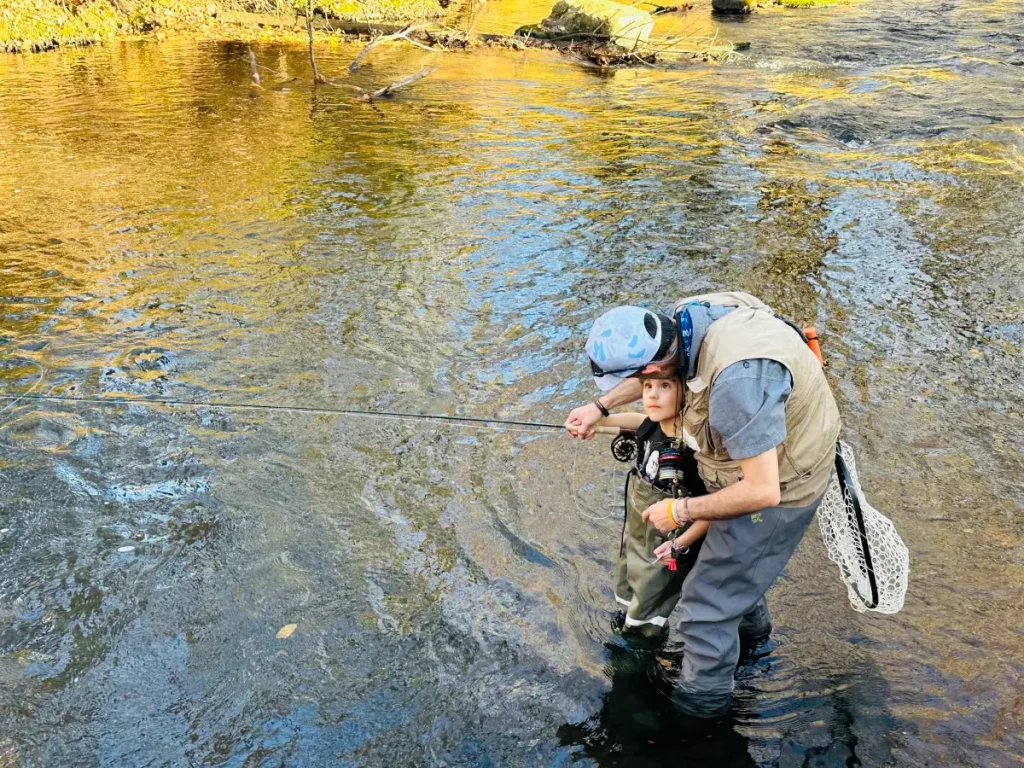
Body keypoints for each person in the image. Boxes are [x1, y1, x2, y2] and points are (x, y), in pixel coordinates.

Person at [566, 292, 841, 719]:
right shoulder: (682, 322)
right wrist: (598, 407)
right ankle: (755, 642)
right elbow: (650, 380)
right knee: (732, 576)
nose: (645, 393)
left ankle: (699, 721)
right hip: (756, 456)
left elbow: (763, 492)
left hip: (785, 483)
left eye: (646, 382)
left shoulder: (736, 382)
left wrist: (681, 513)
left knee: (705, 611)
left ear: (657, 367)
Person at [576, 359, 709, 641]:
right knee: (629, 584)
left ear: (686, 392)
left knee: (650, 606)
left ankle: (643, 645)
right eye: (647, 386)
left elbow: (711, 509)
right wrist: (599, 424)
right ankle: (628, 615)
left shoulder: (696, 448)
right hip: (637, 533)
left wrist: (680, 544)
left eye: (664, 386)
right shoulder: (653, 424)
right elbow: (638, 422)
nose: (651, 394)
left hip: (671, 544)